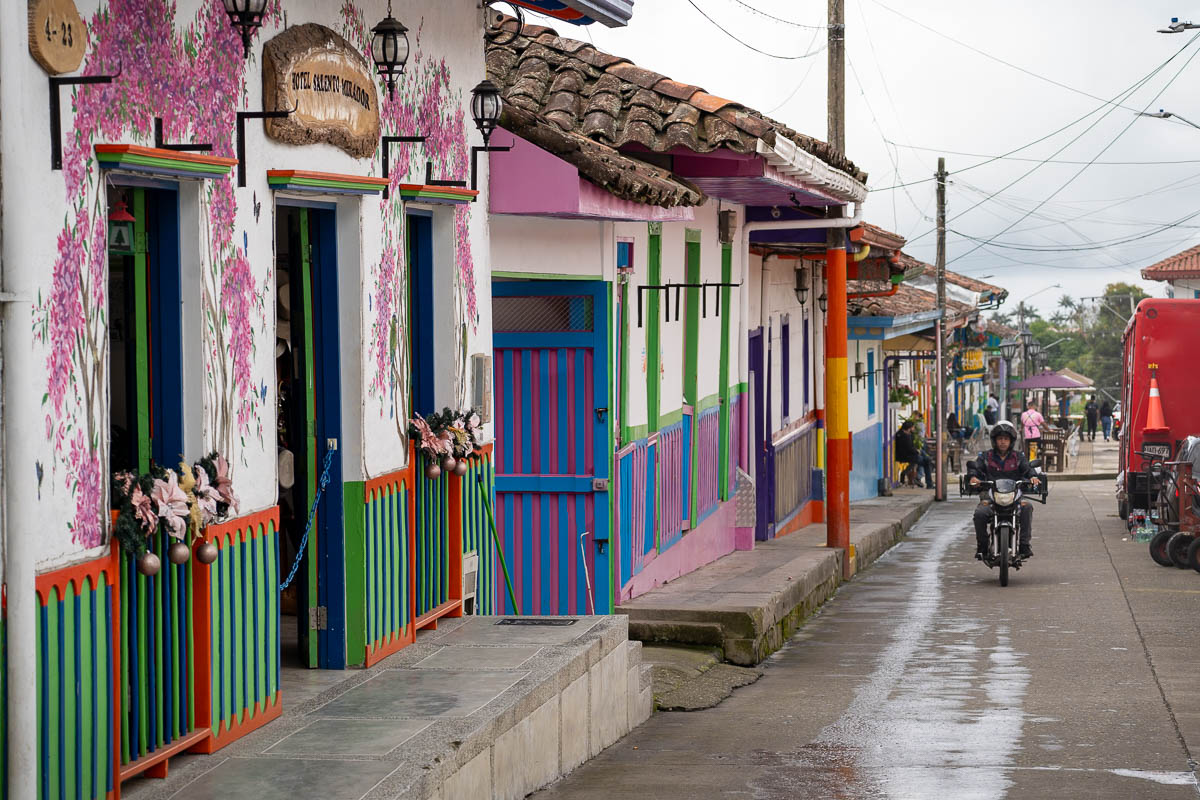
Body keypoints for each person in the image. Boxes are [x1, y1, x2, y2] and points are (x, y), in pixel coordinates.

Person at [968, 420, 1041, 558]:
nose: (1003, 442)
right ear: (994, 440)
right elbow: (975, 469)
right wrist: (973, 478)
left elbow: (1028, 469)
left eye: (1006, 439)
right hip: (990, 498)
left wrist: (1033, 477)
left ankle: (1024, 545)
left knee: (1027, 507)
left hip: (1014, 499)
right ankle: (982, 547)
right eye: (1000, 438)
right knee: (980, 513)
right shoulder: (985, 457)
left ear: (1011, 441)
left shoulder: (1019, 457)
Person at [895, 420, 933, 488]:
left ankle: (909, 474)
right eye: (913, 427)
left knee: (923, 457)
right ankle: (928, 483)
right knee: (926, 461)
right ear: (909, 428)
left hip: (908, 455)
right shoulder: (905, 436)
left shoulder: (902, 434)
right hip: (907, 456)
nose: (914, 429)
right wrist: (917, 451)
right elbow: (909, 448)